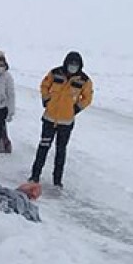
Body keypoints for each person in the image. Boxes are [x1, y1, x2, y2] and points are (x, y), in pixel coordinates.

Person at [29, 51, 93, 188]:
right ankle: (35, 176)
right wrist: (46, 99)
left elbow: (87, 98)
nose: (72, 66)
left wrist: (76, 109)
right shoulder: (55, 73)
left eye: (76, 64)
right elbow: (44, 85)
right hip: (49, 119)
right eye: (71, 63)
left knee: (61, 150)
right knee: (43, 147)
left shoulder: (84, 80)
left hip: (66, 122)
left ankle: (57, 180)